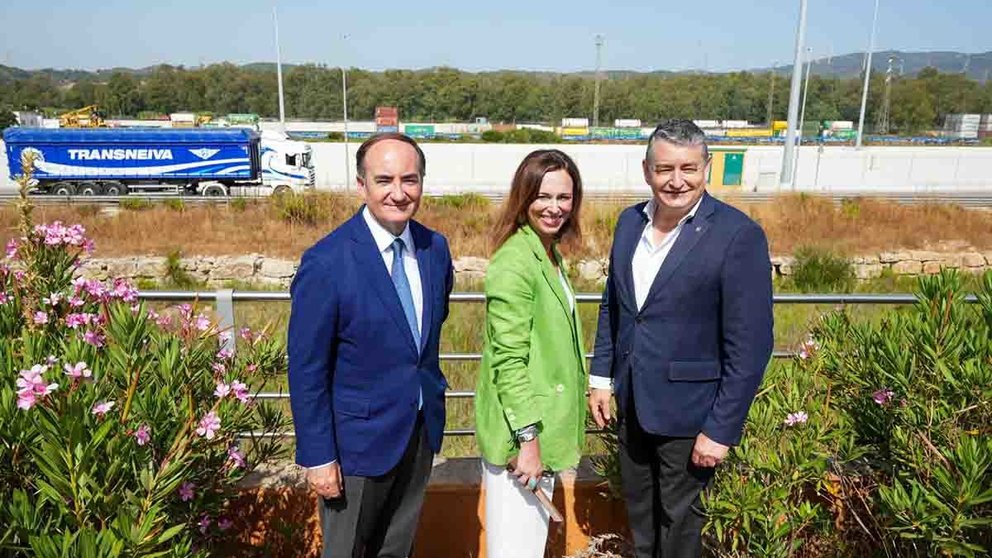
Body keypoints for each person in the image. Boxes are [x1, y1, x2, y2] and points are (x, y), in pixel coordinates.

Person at [588, 119, 774, 558]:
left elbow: (750, 345)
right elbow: (614, 304)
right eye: (664, 168)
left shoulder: (737, 235)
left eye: (689, 168)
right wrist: (601, 376)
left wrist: (721, 429)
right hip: (634, 406)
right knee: (642, 519)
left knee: (682, 531)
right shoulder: (628, 223)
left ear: (706, 167)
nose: (676, 181)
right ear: (646, 169)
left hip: (692, 419)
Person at [288, 133, 454, 558]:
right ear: (361, 184)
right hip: (354, 449)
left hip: (417, 434)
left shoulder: (435, 249)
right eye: (384, 180)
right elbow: (307, 370)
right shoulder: (327, 262)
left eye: (409, 179)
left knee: (397, 550)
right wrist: (319, 455)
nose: (398, 193)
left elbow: (421, 341)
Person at [474, 149, 588, 558]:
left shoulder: (548, 253)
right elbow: (508, 360)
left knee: (527, 546)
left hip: (537, 434)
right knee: (516, 550)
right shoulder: (515, 261)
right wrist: (528, 440)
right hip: (521, 442)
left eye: (564, 197)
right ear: (523, 198)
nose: (555, 208)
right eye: (543, 196)